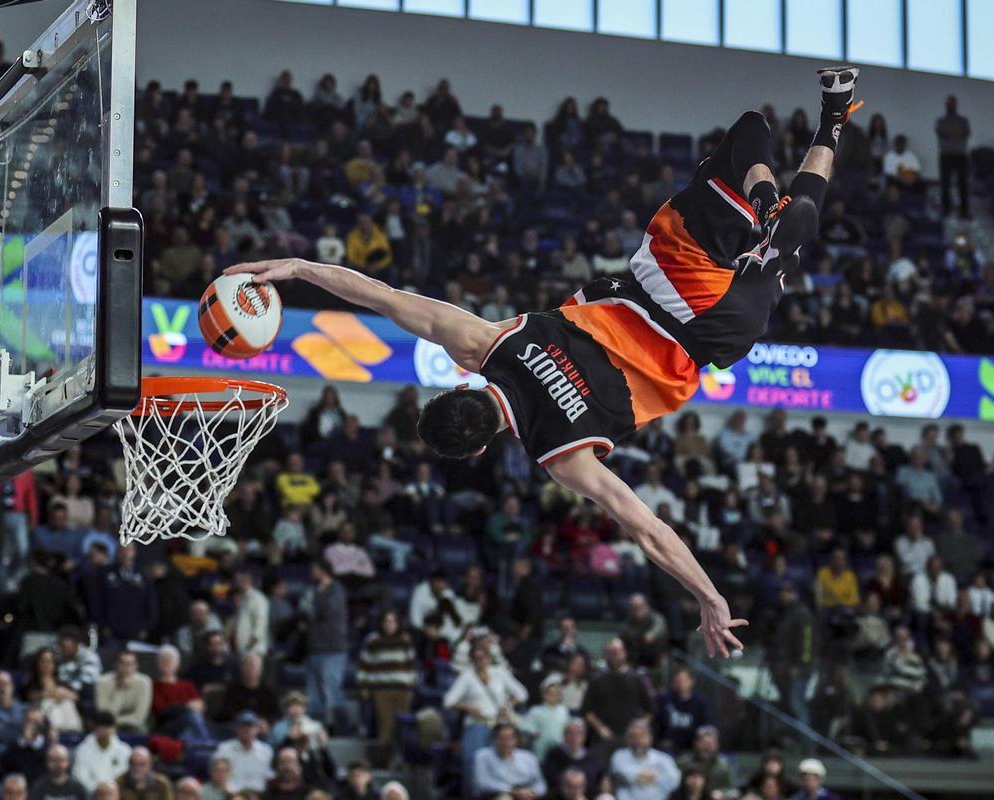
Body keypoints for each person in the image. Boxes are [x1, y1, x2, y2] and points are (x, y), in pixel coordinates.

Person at [228, 69, 863, 659]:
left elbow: (649, 531)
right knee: (751, 129)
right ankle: (773, 189)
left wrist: (709, 597)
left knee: (783, 259)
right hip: (663, 280)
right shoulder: (483, 345)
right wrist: (298, 268)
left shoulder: (563, 455)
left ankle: (811, 166)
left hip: (712, 333)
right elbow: (385, 298)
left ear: (480, 450)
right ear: (458, 387)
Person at [444, 644, 528, 789]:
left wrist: (508, 705)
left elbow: (522, 694)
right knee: (471, 763)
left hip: (499, 725)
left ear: (489, 658)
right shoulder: (467, 676)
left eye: (483, 657)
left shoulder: (499, 672)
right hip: (477, 724)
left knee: (498, 765)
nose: (481, 661)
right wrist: (467, 708)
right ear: (472, 660)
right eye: (476, 658)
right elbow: (448, 701)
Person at [356, 610, 416, 766]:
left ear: (398, 623)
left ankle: (400, 761)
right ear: (382, 623)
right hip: (382, 689)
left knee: (402, 728)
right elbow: (365, 664)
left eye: (393, 621)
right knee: (385, 726)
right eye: (387, 621)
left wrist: (411, 686)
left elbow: (411, 666)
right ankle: (382, 762)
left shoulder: (405, 640)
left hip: (403, 690)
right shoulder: (373, 640)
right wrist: (364, 685)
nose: (390, 624)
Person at [581, 639, 654, 762]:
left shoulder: (637, 679)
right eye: (611, 652)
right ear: (606, 655)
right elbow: (587, 711)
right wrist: (600, 728)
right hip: (602, 738)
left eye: (617, 652)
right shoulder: (596, 680)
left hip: (630, 740)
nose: (614, 655)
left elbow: (650, 710)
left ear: (624, 653)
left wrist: (639, 729)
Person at [763, 582, 814, 727]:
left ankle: (807, 746)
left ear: (795, 594)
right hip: (781, 668)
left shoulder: (802, 614)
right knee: (788, 707)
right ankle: (793, 742)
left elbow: (808, 642)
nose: (783, 595)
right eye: (781, 591)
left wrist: (801, 665)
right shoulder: (780, 613)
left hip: (797, 670)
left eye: (788, 591)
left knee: (797, 705)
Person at [306, 558, 350, 724]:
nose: (311, 572)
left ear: (323, 570)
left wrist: (317, 595)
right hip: (314, 647)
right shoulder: (313, 589)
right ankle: (318, 728)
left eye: (314, 569)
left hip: (333, 648)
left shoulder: (336, 589)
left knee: (332, 689)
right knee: (314, 695)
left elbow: (327, 611)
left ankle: (343, 726)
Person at [609, 719, 681, 800]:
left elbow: (674, 781)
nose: (638, 740)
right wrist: (655, 776)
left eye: (642, 736)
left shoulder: (664, 759)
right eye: (633, 736)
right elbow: (624, 776)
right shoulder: (619, 756)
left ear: (650, 737)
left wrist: (640, 777)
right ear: (627, 738)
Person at [472, 722, 545, 800]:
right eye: (502, 739)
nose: (506, 743)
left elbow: (540, 783)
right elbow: (482, 783)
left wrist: (533, 792)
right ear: (494, 739)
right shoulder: (482, 755)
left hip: (526, 793)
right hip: (496, 794)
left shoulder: (528, 757)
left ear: (516, 740)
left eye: (510, 739)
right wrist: (511, 791)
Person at [214, 712, 274, 793]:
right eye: (243, 726)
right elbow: (216, 774)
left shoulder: (266, 750)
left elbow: (270, 777)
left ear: (257, 729)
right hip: (231, 794)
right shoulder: (224, 749)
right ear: (236, 729)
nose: (246, 729)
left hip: (259, 795)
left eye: (250, 726)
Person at [70, 712, 131, 793]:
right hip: (91, 795)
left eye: (109, 726)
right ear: (94, 728)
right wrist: (101, 791)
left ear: (114, 728)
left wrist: (111, 789)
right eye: (102, 726)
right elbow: (80, 778)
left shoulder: (125, 749)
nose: (106, 730)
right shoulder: (82, 750)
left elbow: (126, 773)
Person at [652, 668, 709, 753]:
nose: (680, 683)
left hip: (691, 746)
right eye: (677, 680)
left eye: (683, 680)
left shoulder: (700, 703)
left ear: (692, 681)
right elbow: (655, 722)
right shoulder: (663, 699)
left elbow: (706, 724)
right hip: (666, 745)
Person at [95, 651, 152, 733]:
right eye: (123, 663)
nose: (126, 668)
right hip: (108, 726)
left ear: (136, 666)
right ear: (116, 665)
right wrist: (120, 690)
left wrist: (116, 720)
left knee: (140, 729)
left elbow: (140, 717)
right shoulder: (102, 682)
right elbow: (105, 717)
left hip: (135, 725)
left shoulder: (144, 682)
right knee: (104, 729)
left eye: (130, 664)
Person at [542, 718, 604, 791]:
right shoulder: (554, 754)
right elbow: (551, 780)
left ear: (584, 737)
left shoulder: (592, 757)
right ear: (564, 735)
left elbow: (597, 779)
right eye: (570, 733)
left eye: (578, 733)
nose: (574, 737)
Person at [519, 674, 570, 760]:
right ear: (544, 695)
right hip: (541, 751)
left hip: (560, 750)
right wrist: (533, 731)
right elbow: (524, 725)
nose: (553, 696)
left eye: (556, 693)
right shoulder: (535, 710)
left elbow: (569, 728)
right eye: (550, 693)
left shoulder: (563, 710)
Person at [934, 96, 970, 217]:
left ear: (956, 105)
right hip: (946, 155)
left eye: (953, 103)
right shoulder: (941, 120)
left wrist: (952, 132)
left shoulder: (963, 120)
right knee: (945, 183)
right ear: (946, 105)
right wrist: (955, 132)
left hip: (960, 155)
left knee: (963, 184)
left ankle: (964, 210)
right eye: (949, 103)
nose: (951, 105)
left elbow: (965, 132)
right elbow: (941, 132)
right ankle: (946, 208)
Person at [674, 726, 733, 796]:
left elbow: (732, 790)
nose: (707, 748)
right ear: (696, 743)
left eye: (710, 744)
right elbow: (674, 785)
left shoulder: (723, 766)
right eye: (704, 743)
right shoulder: (683, 762)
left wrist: (723, 794)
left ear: (717, 745)